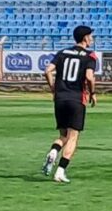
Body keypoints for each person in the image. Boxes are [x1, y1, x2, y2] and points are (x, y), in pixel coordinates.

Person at [40, 25, 99, 184]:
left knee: (63, 135)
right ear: (85, 38)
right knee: (73, 137)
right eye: (91, 36)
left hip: (60, 98)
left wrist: (53, 88)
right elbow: (89, 77)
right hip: (76, 99)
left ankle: (54, 151)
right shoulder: (90, 55)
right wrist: (92, 93)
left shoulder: (63, 53)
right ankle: (60, 171)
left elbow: (47, 70)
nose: (92, 39)